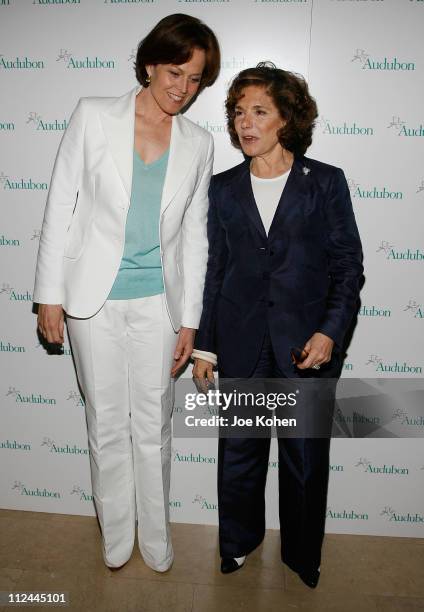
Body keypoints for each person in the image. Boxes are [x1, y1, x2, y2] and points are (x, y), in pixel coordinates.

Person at [34, 13, 220, 572]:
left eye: (194, 80)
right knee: (106, 423)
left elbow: (195, 236)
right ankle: (116, 533)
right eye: (174, 73)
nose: (182, 89)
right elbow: (60, 205)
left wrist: (190, 320)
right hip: (92, 302)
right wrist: (50, 295)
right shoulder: (93, 115)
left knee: (155, 424)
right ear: (149, 63)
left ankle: (156, 535)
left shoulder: (199, 141)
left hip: (158, 305)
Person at [192, 63, 363, 588]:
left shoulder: (325, 182)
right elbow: (213, 269)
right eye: (239, 112)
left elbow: (347, 268)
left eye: (259, 111)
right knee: (238, 453)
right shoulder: (222, 188)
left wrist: (329, 332)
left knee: (305, 460)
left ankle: (303, 555)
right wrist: (205, 348)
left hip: (306, 345)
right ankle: (238, 543)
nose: (246, 122)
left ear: (287, 118)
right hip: (241, 341)